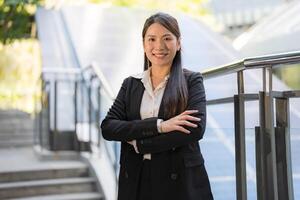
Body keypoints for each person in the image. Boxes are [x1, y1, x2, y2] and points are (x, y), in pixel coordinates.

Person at [101, 12, 213, 200]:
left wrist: (142, 144)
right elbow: (109, 127)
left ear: (178, 43)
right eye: (151, 39)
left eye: (167, 38)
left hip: (179, 181)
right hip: (137, 178)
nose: (159, 46)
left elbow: (195, 129)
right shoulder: (131, 84)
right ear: (144, 44)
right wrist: (160, 126)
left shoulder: (191, 80)